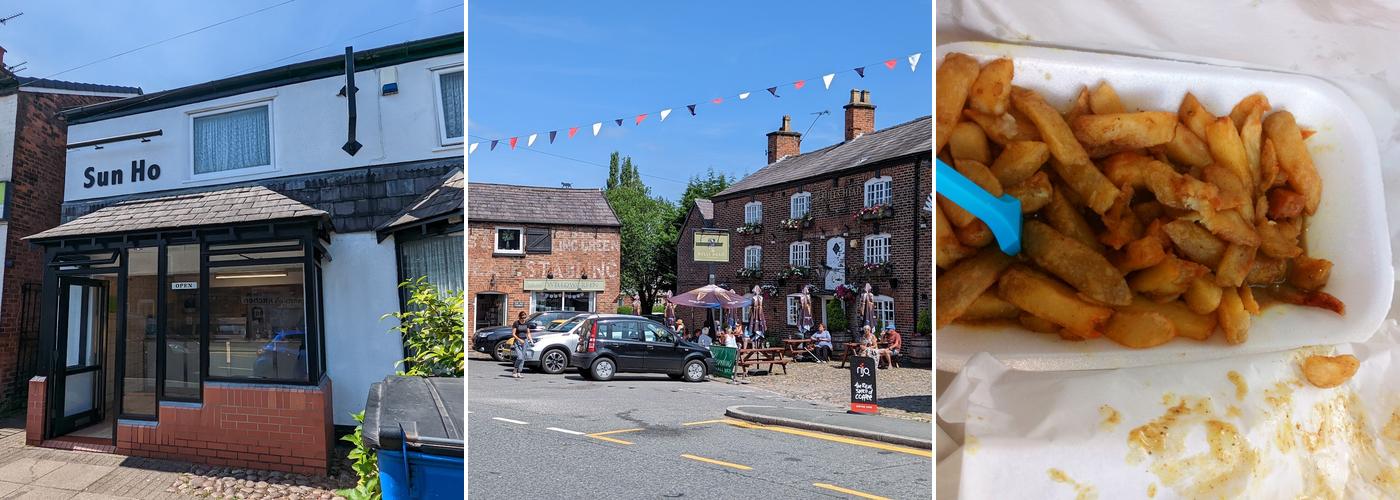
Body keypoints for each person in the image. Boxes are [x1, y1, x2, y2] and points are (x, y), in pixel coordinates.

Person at [510, 311, 532, 379]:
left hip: (525, 341)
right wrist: (519, 340)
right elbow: (513, 334)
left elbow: (528, 333)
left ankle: (519, 372)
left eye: (525, 317)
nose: (523, 319)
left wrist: (530, 340)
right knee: (519, 357)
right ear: (520, 317)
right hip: (517, 341)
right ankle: (515, 370)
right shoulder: (516, 323)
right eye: (522, 317)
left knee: (522, 358)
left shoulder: (527, 323)